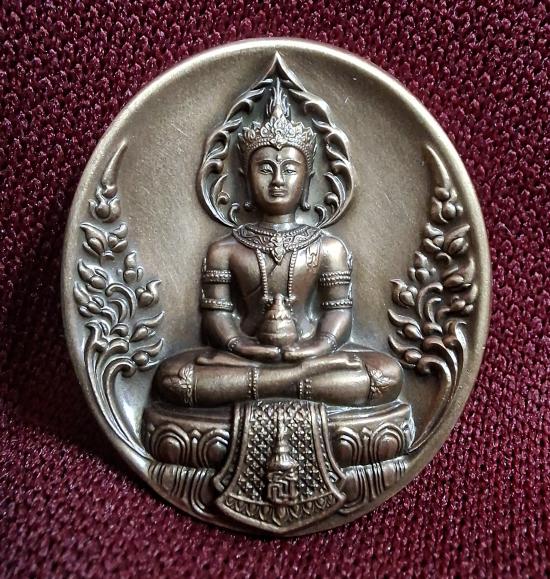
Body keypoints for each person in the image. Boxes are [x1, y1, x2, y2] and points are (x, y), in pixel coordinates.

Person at [154, 82, 403, 408]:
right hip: (246, 358)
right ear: (245, 177)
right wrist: (241, 345)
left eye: (289, 169)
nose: (277, 180)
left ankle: (269, 385)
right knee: (173, 377)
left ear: (308, 179)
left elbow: (338, 312)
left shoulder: (329, 249)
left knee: (386, 374)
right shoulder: (225, 250)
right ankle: (292, 384)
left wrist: (318, 346)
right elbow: (217, 317)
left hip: (310, 357)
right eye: (265, 169)